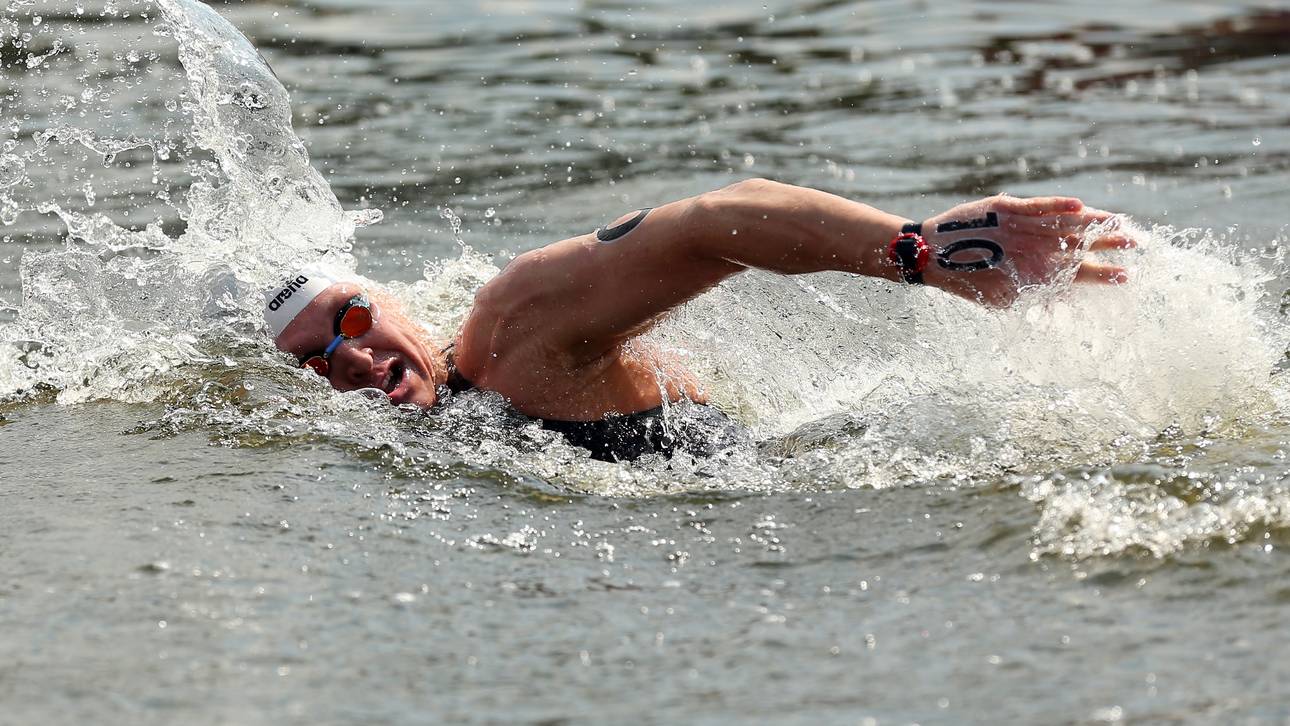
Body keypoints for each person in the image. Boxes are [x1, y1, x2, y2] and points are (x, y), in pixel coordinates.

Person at [264, 178, 1133, 461]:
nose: (350, 360)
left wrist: (917, 251)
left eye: (352, 317)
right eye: (313, 361)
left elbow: (712, 223)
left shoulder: (507, 333)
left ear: (392, 299)